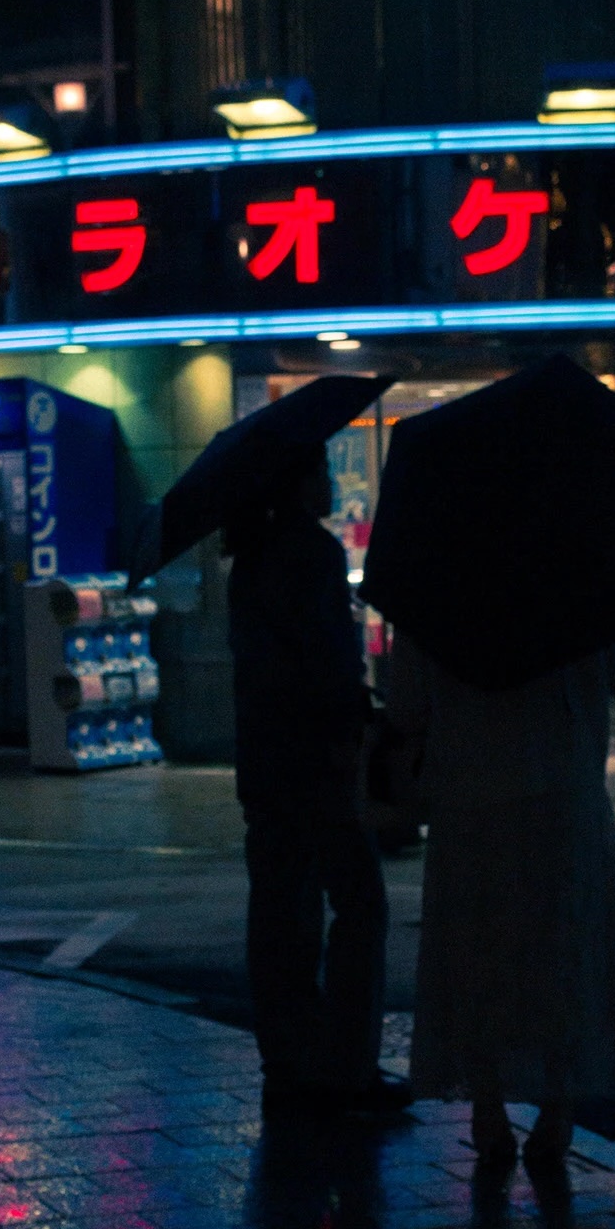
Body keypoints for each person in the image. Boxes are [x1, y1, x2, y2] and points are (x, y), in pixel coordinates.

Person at [385, 631, 615, 1168]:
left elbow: (407, 698)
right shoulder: (573, 572)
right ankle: (557, 1108)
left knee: (479, 948)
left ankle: (487, 1106)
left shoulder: (443, 581)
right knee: (561, 949)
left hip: (470, 788)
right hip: (564, 779)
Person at [227, 443, 410, 1114]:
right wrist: (357, 715)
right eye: (321, 471)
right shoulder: (312, 555)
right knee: (361, 905)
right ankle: (346, 1066)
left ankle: (288, 1061)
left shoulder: (249, 558)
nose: (331, 484)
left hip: (266, 765)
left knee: (280, 913)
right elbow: (328, 666)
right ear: (299, 483)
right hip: (316, 762)